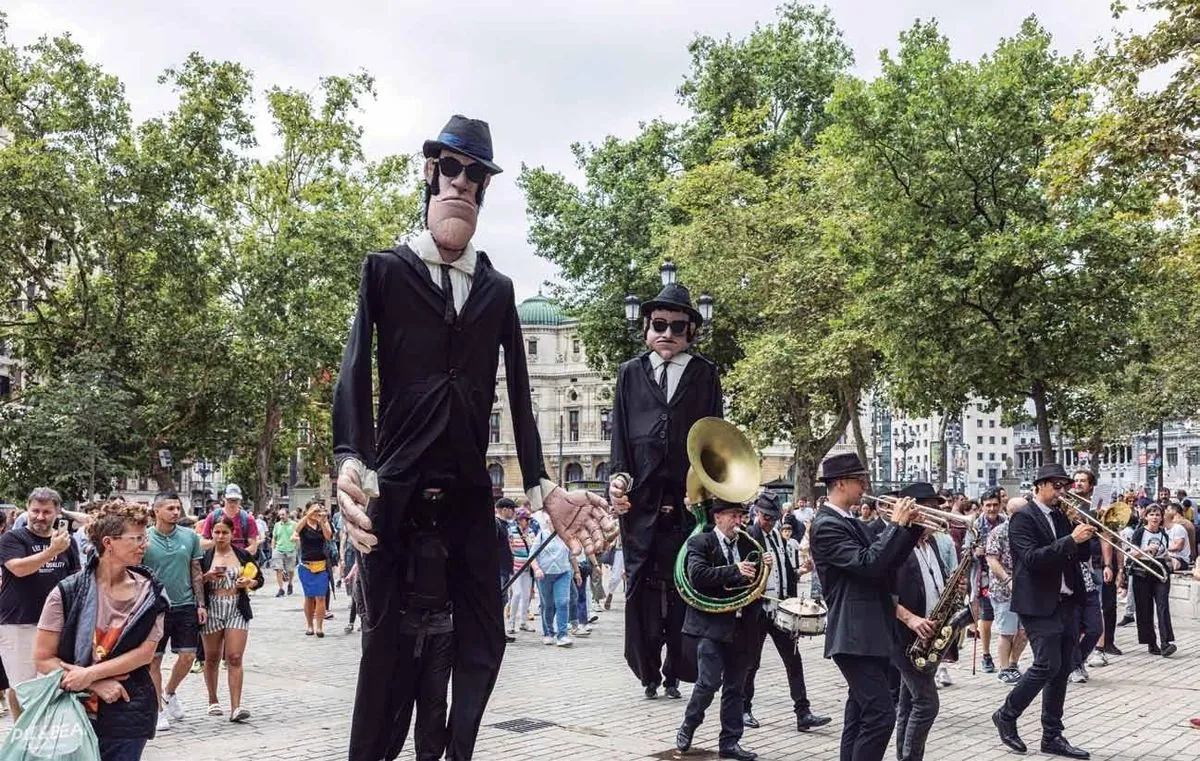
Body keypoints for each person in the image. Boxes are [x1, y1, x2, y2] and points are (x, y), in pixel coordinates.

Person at [333, 115, 615, 761]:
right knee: (385, 658)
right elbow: (354, 368)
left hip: (467, 494)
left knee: (483, 638)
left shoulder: (497, 291)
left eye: (477, 175)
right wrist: (351, 458)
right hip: (395, 492)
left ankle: (455, 751)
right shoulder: (385, 271)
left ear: (484, 191)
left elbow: (519, 394)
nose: (463, 183)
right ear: (431, 173)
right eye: (452, 169)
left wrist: (546, 489)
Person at [608, 281, 723, 701]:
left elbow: (715, 441)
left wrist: (709, 497)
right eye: (659, 324)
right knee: (639, 587)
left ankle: (678, 669)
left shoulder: (705, 374)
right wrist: (618, 476)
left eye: (677, 327)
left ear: (690, 331)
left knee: (684, 588)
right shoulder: (630, 372)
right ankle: (646, 671)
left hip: (688, 503)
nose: (668, 334)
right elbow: (619, 434)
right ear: (646, 327)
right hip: (640, 505)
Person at [32, 500, 169, 761]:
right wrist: (95, 683)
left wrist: (90, 674)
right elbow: (42, 659)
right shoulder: (67, 592)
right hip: (71, 712)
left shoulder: (151, 594)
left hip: (128, 710)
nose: (145, 544)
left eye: (145, 536)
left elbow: (144, 654)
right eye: (137, 537)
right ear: (108, 543)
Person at [809, 454, 923, 761]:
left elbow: (886, 563)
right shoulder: (826, 525)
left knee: (859, 715)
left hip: (870, 630)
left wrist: (911, 530)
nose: (865, 487)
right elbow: (869, 564)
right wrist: (896, 524)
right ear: (841, 483)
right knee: (881, 716)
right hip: (853, 632)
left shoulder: (850, 521)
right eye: (861, 481)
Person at [992, 463, 1094, 759]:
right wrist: (1070, 540)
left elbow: (1082, 556)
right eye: (1056, 486)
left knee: (1062, 668)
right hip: (1037, 603)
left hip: (1065, 601)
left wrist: (1082, 532)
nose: (1062, 492)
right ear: (1039, 486)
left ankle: (1052, 735)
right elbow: (1033, 559)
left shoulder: (1062, 516)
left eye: (1064, 486)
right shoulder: (1022, 518)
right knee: (1047, 664)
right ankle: (1007, 714)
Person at [674, 498, 771, 761]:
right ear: (717, 517)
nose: (739, 522)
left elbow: (754, 582)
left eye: (741, 516)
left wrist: (764, 566)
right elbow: (698, 575)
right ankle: (689, 724)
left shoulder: (746, 544)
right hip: (711, 627)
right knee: (708, 683)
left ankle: (730, 742)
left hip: (742, 627)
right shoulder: (700, 542)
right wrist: (735, 570)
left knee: (735, 688)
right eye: (733, 516)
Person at [741, 490, 829, 733]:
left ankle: (803, 712)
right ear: (758, 514)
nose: (769, 522)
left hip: (780, 609)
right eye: (766, 517)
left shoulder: (781, 539)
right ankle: (743, 708)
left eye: (773, 517)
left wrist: (801, 571)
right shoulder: (748, 537)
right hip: (758, 610)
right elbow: (742, 573)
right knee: (751, 662)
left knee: (794, 660)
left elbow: (785, 572)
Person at [0, 487, 81, 718]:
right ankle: (21, 733)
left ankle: (47, 731)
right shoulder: (12, 538)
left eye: (46, 511)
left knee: (52, 681)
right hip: (18, 621)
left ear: (57, 513)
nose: (40, 517)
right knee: (20, 683)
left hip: (57, 623)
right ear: (27, 509)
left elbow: (74, 579)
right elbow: (19, 568)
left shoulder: (68, 542)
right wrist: (52, 551)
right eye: (35, 511)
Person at [141, 491, 205, 732]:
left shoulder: (190, 537)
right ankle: (157, 710)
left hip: (185, 604)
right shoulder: (144, 538)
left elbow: (196, 570)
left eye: (178, 508)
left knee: (188, 656)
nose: (176, 512)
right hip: (154, 607)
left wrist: (201, 604)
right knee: (153, 660)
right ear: (156, 510)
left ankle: (169, 692)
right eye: (170, 508)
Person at [892, 522, 956, 761]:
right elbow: (879, 591)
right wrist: (909, 619)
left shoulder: (932, 544)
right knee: (927, 704)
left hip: (928, 633)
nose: (936, 516)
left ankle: (904, 756)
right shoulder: (898, 545)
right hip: (903, 635)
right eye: (929, 508)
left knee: (908, 704)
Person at [200, 514, 265, 722]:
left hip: (236, 606)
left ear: (232, 533)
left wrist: (249, 582)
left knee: (235, 656)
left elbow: (259, 578)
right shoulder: (205, 556)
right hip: (213, 607)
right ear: (211, 533)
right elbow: (193, 583)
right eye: (216, 532)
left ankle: (236, 707)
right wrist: (206, 577)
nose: (220, 536)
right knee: (211, 657)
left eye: (224, 532)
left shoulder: (242, 554)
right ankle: (213, 699)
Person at [986, 499, 1030, 684]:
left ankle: (1013, 664)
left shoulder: (1028, 531)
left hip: (1027, 587)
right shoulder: (998, 532)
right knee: (1007, 631)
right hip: (1004, 589)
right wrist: (1008, 580)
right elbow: (992, 560)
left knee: (1024, 630)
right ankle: (1004, 669)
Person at [961, 488, 1004, 674]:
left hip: (1003, 576)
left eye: (995, 505)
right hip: (983, 577)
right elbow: (965, 551)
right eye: (988, 505)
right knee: (986, 619)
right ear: (982, 506)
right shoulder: (974, 525)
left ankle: (1007, 659)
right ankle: (986, 655)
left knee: (1006, 618)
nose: (992, 509)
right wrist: (973, 552)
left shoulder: (1007, 522)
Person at [1126, 504, 1176, 656]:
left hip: (1159, 570)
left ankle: (1165, 642)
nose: (1154, 517)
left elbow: (1165, 552)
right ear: (1146, 516)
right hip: (1142, 572)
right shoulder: (1140, 532)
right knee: (1144, 608)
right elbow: (1130, 553)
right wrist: (1146, 550)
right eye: (1151, 514)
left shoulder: (1164, 534)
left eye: (1157, 515)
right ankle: (1151, 643)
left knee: (1162, 606)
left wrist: (1170, 559)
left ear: (1162, 518)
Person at [531, 518, 574, 647]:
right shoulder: (542, 535)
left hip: (563, 573)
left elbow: (572, 555)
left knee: (563, 602)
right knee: (548, 605)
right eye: (553, 522)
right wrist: (537, 569)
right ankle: (548, 632)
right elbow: (532, 556)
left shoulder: (566, 535)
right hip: (545, 575)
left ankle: (563, 635)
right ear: (548, 523)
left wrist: (577, 572)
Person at [293, 500, 333, 637]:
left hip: (321, 565)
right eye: (314, 511)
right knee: (309, 597)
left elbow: (329, 536)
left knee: (321, 596)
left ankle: (319, 627)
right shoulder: (304, 524)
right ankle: (309, 625)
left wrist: (322, 521)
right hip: (306, 565)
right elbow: (296, 529)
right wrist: (308, 515)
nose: (316, 513)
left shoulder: (323, 523)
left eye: (318, 510)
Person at [199, 484, 260, 556]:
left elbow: (253, 548)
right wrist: (218, 542)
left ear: (240, 500)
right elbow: (202, 543)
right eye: (230, 500)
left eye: (236, 500)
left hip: (240, 562)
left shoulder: (248, 519)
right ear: (223, 498)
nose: (233, 504)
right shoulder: (213, 516)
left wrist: (235, 555)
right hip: (217, 560)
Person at [506, 508, 538, 635]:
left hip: (527, 568)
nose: (528, 522)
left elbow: (534, 549)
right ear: (519, 520)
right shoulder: (512, 532)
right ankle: (511, 622)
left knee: (526, 596)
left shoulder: (531, 533)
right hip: (515, 568)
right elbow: (509, 549)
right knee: (517, 594)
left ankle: (523, 622)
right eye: (526, 520)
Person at [271, 506, 297, 597]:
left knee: (290, 570)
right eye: (280, 515)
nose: (281, 516)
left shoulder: (294, 524)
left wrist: (297, 547)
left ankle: (290, 584)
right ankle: (281, 589)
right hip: (279, 550)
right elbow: (274, 538)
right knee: (279, 569)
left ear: (288, 515)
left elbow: (297, 536)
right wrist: (273, 549)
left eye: (283, 514)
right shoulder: (277, 525)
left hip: (290, 549)